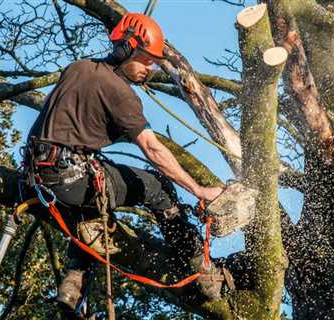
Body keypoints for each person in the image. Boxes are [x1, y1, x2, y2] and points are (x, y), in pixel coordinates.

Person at [24, 13, 226, 318]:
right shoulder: (120, 93)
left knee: (92, 218)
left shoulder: (78, 69)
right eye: (146, 60)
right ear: (126, 50)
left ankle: (71, 288)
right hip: (69, 177)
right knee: (158, 187)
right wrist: (198, 190)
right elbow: (151, 148)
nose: (151, 67)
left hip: (36, 174)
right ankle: (201, 269)